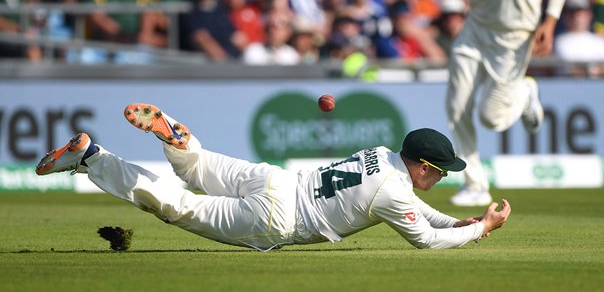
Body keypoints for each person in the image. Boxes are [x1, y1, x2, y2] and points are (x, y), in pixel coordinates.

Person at [35, 103, 511, 251]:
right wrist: (480, 229)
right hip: (277, 216)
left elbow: (423, 214)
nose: (443, 178)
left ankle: (181, 144)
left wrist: (461, 223)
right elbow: (423, 239)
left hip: (276, 180)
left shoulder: (383, 157)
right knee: (179, 205)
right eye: (441, 171)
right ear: (423, 166)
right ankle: (93, 158)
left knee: (199, 169)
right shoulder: (392, 190)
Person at [416, 0, 571, 206]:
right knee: (456, 105)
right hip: (475, 29)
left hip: (515, 36)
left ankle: (525, 93)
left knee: (491, 118)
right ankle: (475, 184)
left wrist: (550, 21)